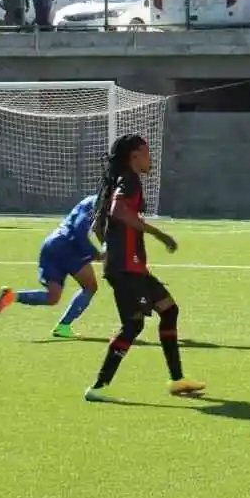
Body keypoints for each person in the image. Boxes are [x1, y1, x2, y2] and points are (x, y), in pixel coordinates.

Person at [85, 134, 204, 401]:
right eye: (147, 153)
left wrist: (110, 248)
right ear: (134, 156)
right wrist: (159, 234)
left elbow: (97, 225)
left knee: (169, 310)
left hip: (130, 266)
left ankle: (178, 380)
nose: (150, 159)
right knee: (133, 325)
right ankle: (98, 388)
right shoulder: (129, 180)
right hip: (127, 268)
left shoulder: (117, 181)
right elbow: (117, 211)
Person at [0, 193, 100, 339]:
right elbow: (79, 232)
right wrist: (97, 255)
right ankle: (63, 326)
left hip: (52, 244)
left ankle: (11, 297)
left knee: (52, 297)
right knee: (90, 286)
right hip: (68, 247)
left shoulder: (92, 200)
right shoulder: (97, 204)